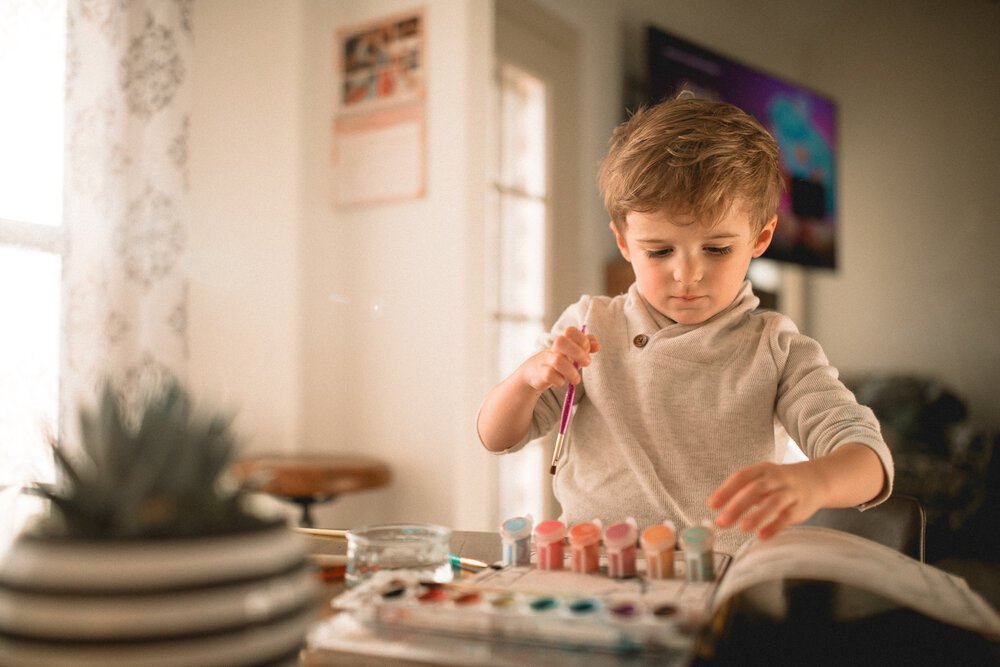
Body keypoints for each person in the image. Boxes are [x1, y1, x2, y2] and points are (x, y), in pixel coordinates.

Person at [476, 93, 894, 555]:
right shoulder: (589, 327)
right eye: (659, 251)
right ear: (624, 243)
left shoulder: (775, 348)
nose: (688, 274)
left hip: (717, 582)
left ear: (760, 238)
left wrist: (811, 483)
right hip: (592, 572)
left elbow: (870, 460)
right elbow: (497, 437)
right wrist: (526, 381)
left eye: (716, 249)